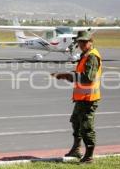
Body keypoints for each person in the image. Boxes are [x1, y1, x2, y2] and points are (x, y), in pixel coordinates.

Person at [51, 31, 102, 163]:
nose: (82, 44)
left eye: (85, 41)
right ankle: (76, 150)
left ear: (91, 42)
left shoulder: (92, 56)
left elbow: (87, 78)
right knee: (76, 122)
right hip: (82, 98)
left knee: (86, 127)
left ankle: (89, 156)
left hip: (89, 99)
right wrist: (66, 75)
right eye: (80, 41)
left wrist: (67, 76)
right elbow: (80, 74)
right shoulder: (84, 55)